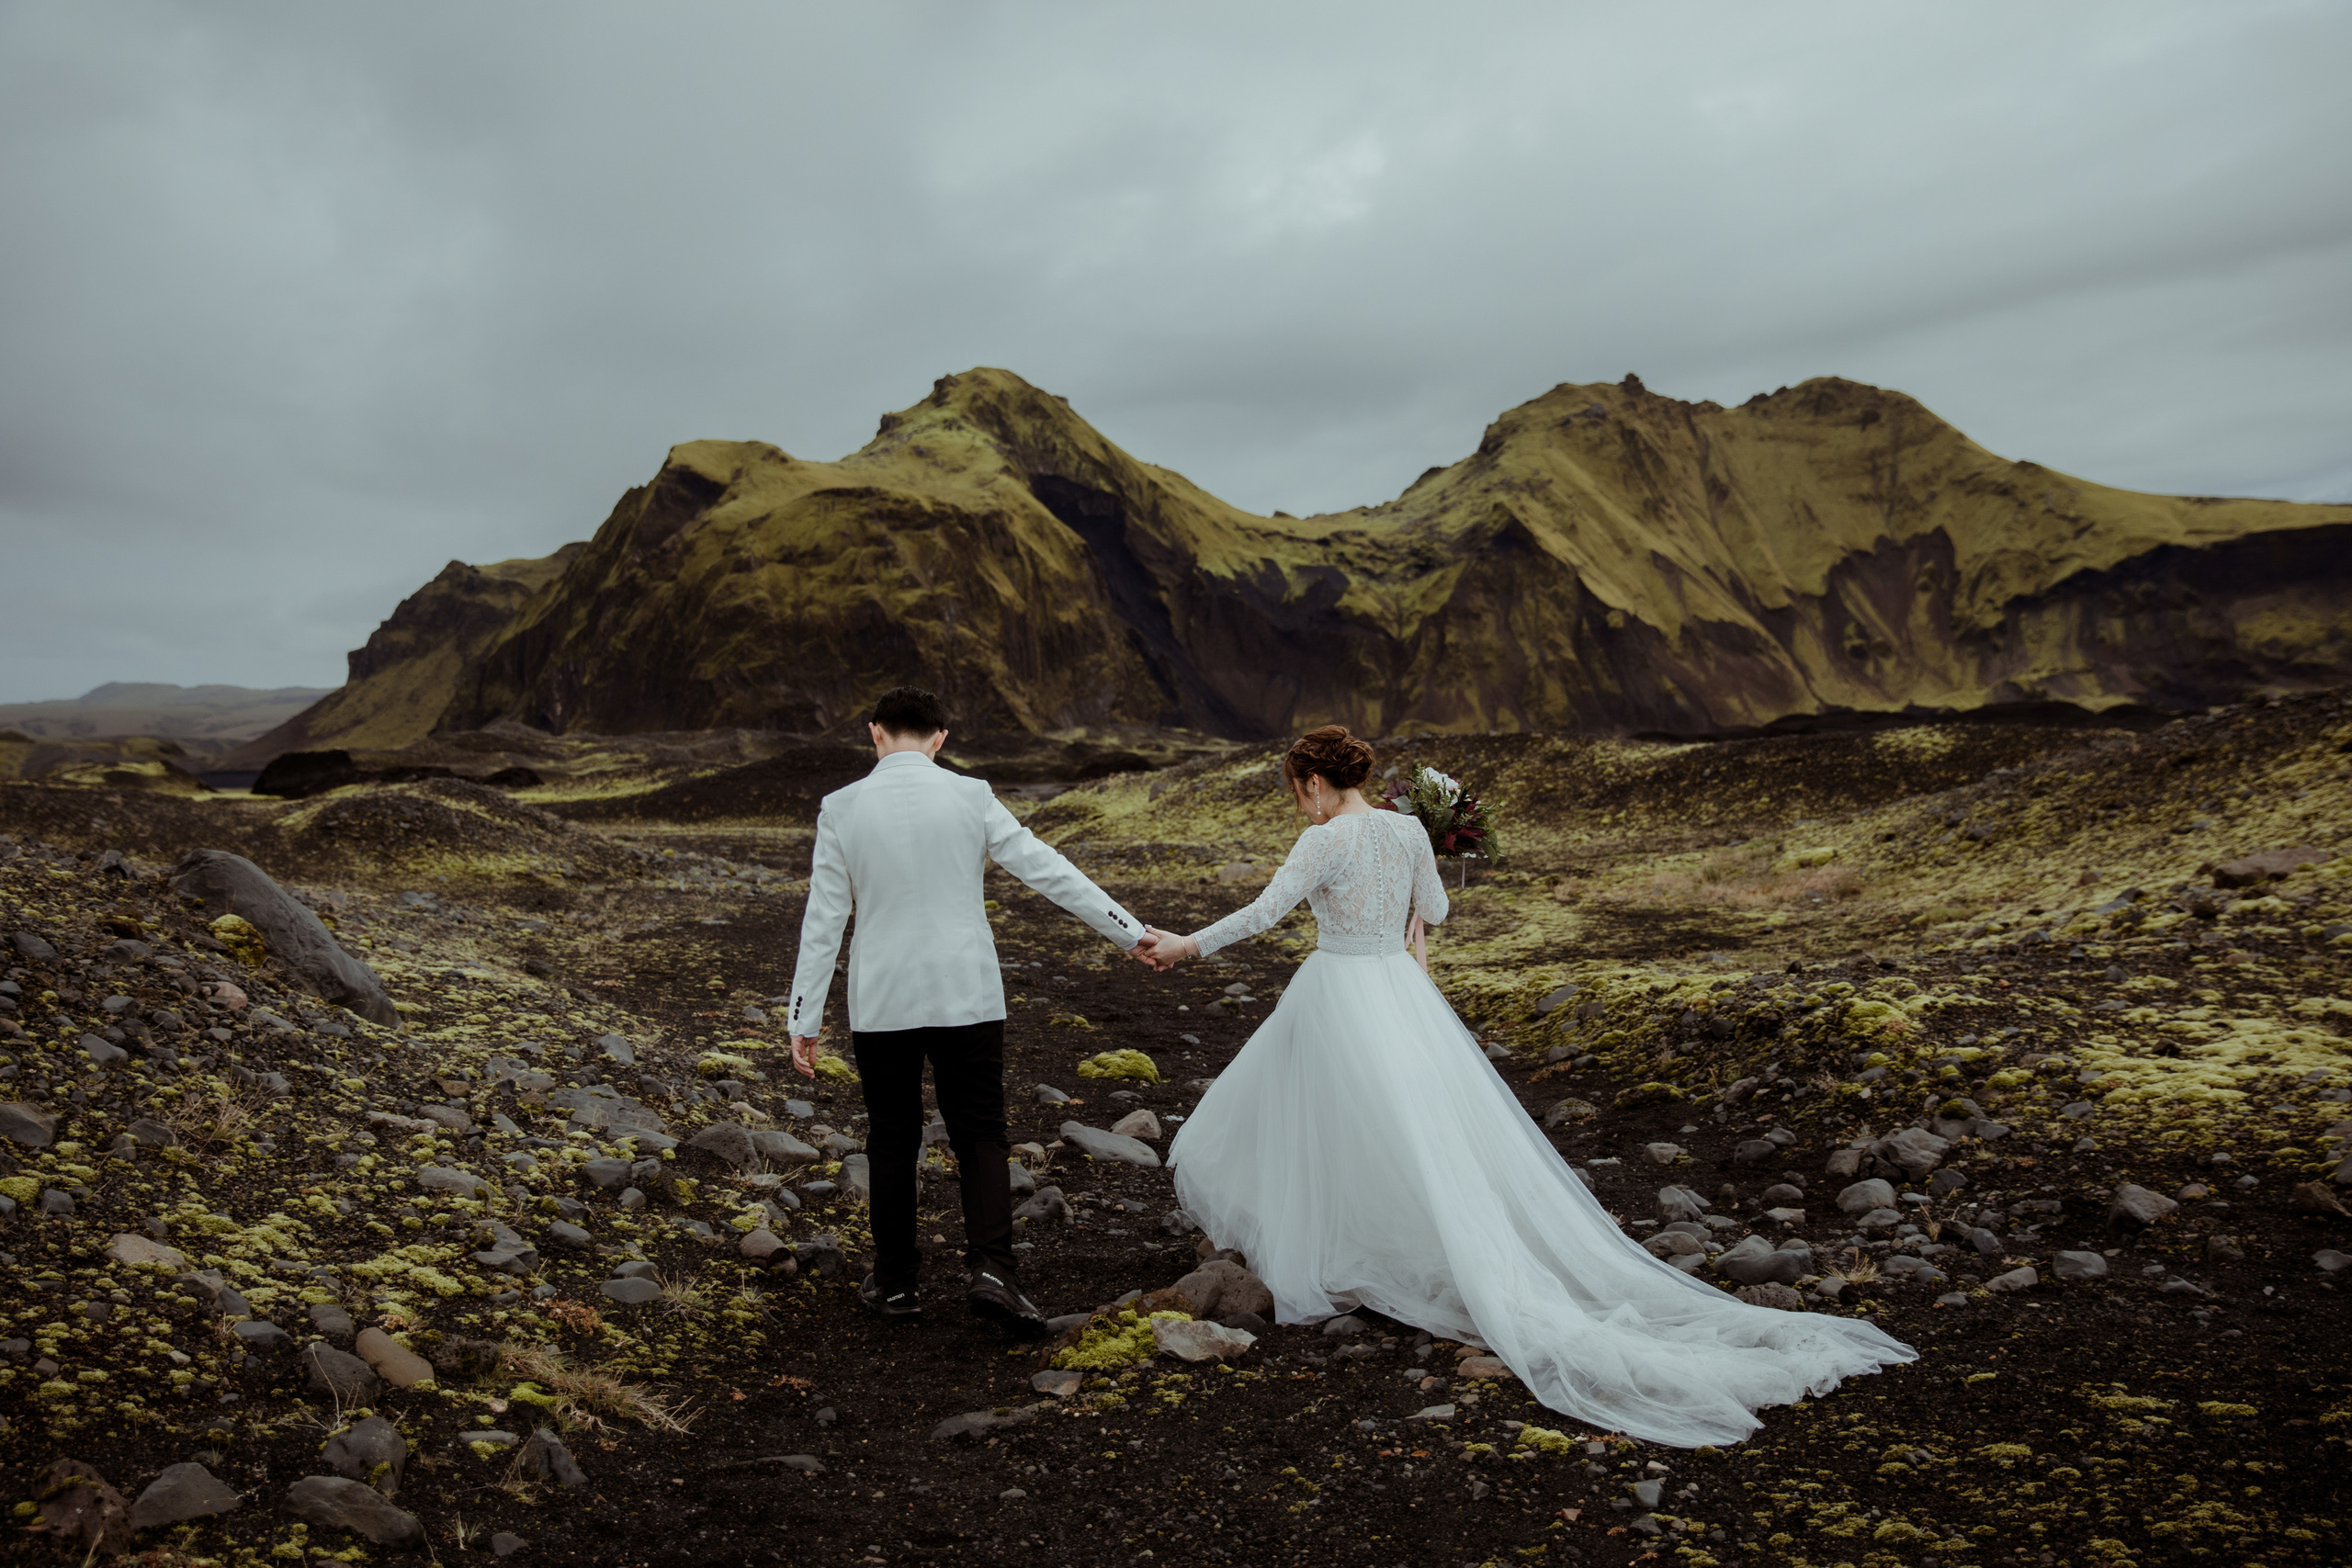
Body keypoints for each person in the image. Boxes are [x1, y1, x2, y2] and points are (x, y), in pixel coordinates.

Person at [1140, 724, 1915, 1447]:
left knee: (1329, 1119)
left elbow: (1264, 912)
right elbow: (1436, 909)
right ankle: (1396, 1243)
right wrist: (1413, 898)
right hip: (1400, 994)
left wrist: (1184, 945)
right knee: (1416, 1128)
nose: (1298, 804)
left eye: (1296, 790)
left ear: (1312, 782)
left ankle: (1336, 1251)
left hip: (1338, 990)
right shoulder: (1408, 831)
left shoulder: (1322, 840)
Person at [786, 686, 1159, 1336]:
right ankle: (993, 1272)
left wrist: (804, 1017)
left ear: (874, 733)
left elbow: (824, 919)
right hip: (968, 994)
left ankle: (897, 1282)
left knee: (893, 1138)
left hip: (882, 998)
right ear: (940, 738)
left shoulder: (840, 808)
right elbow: (1047, 869)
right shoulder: (970, 794)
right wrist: (1130, 931)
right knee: (981, 1134)